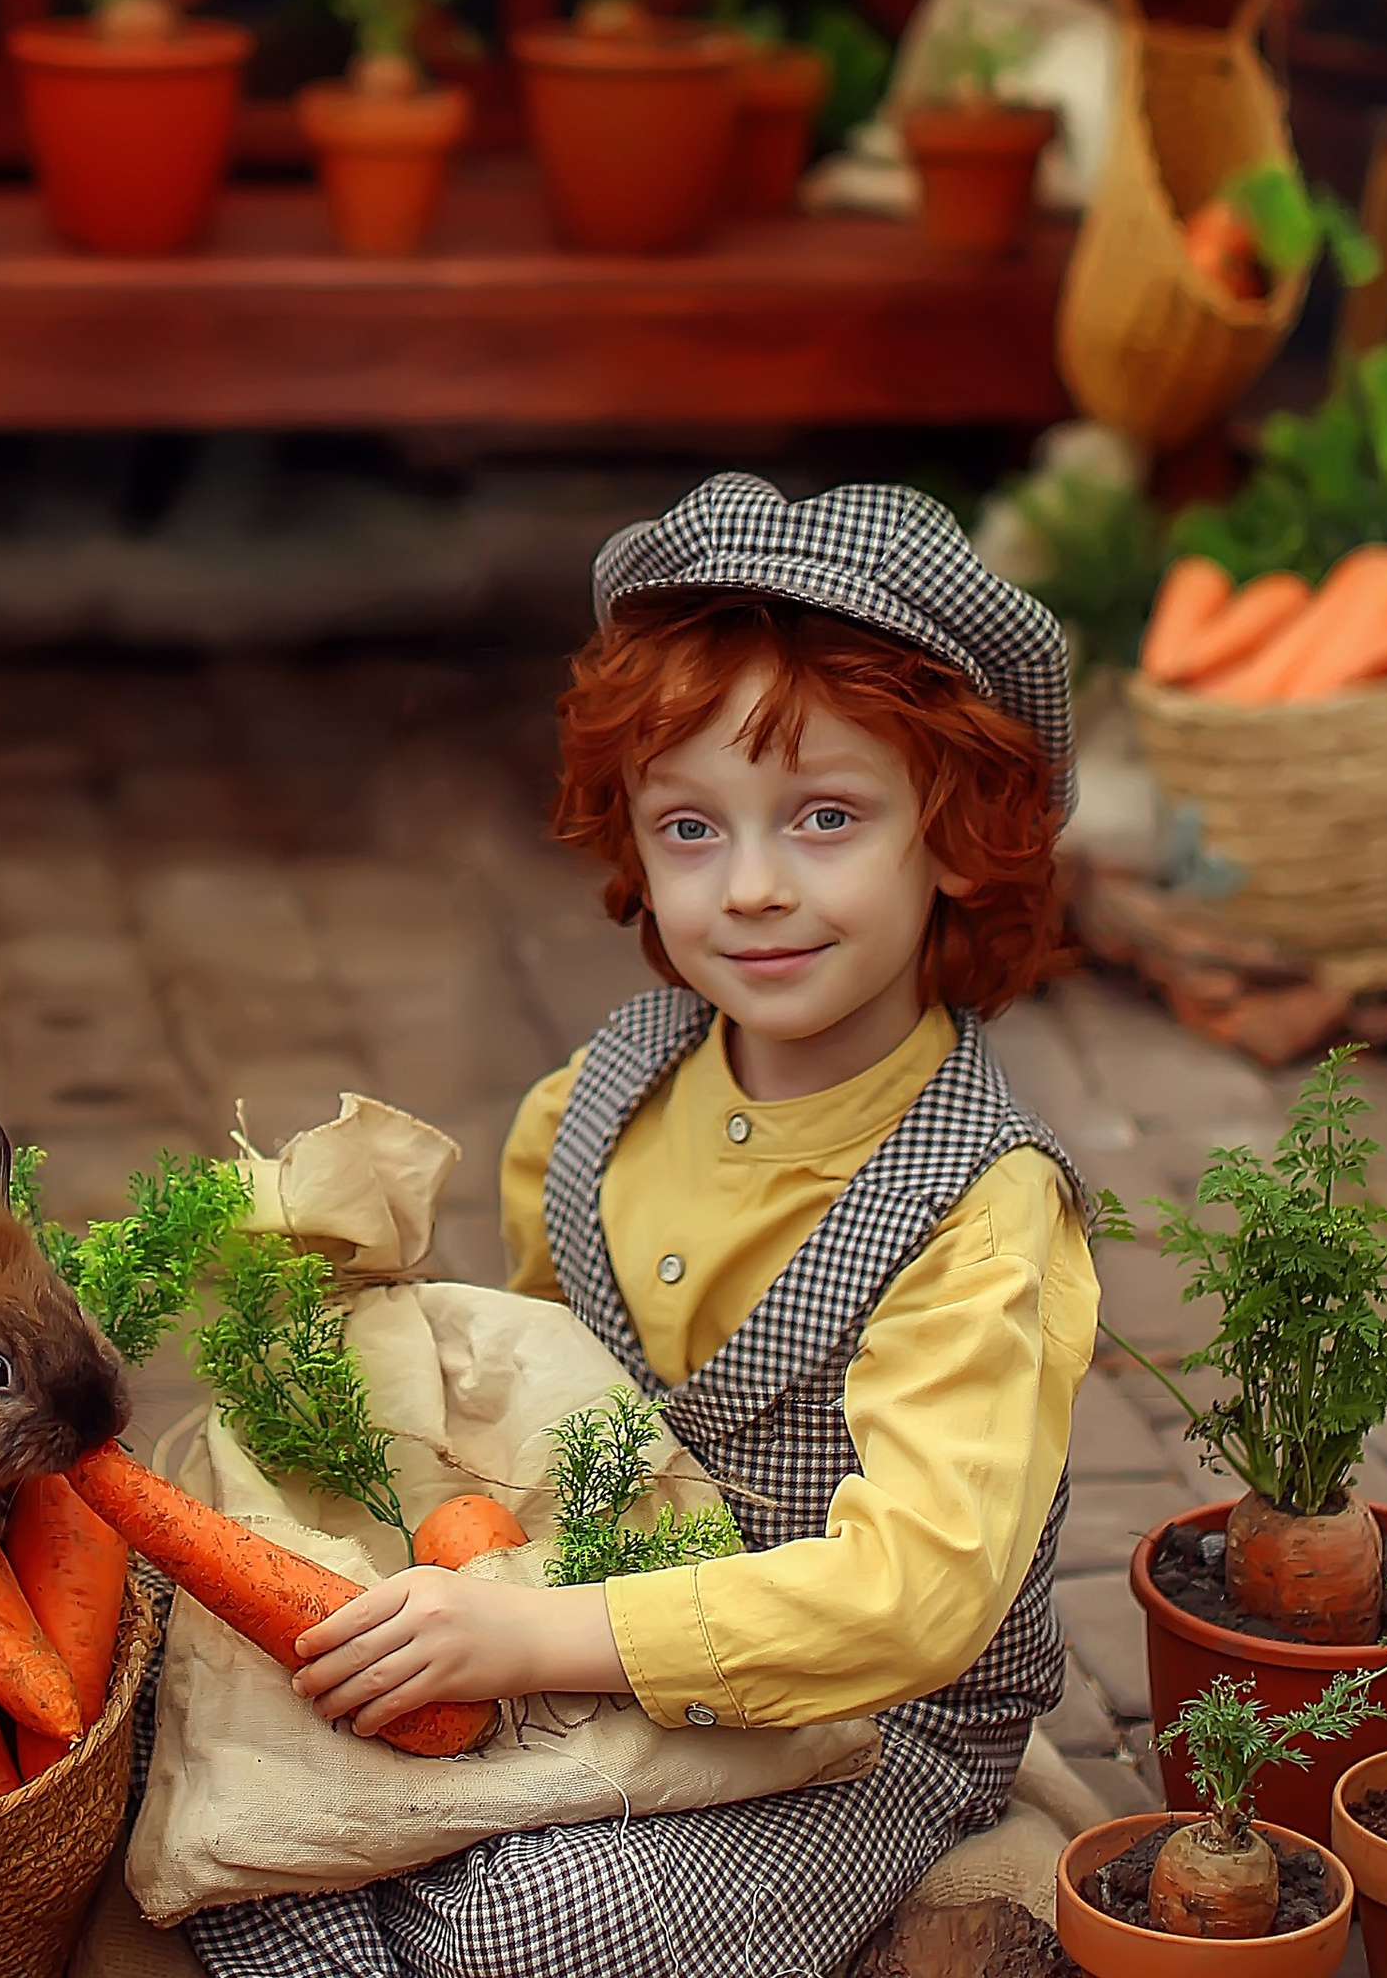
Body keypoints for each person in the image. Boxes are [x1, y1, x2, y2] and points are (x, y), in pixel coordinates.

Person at [186, 473, 1103, 1978]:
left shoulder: (983, 1205)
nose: (751, 889)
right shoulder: (596, 1103)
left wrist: (527, 1645)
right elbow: (550, 1401)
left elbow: (913, 1598)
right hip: (593, 1602)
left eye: (825, 818)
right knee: (253, 1773)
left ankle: (966, 1862)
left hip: (867, 1715)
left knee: (532, 1921)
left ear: (954, 835)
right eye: (692, 827)